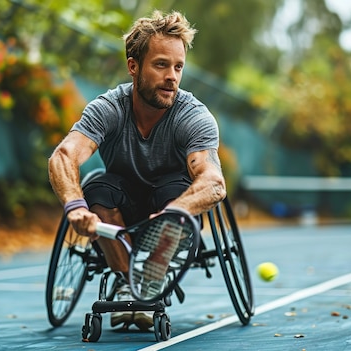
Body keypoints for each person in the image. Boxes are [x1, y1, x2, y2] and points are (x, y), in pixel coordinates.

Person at [48, 10, 226, 331]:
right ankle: (127, 280)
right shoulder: (109, 108)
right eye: (161, 65)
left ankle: (150, 280)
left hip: (170, 207)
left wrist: (176, 211)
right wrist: (75, 206)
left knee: (175, 187)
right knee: (98, 189)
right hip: (120, 212)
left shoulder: (193, 116)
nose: (172, 76)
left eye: (178, 67)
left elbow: (213, 183)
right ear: (134, 67)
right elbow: (63, 156)